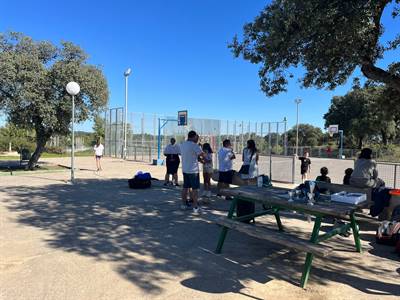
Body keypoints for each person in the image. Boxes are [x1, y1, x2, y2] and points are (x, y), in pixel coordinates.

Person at [180, 131, 205, 213]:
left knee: (185, 187)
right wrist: (201, 149)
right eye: (196, 137)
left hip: (185, 169)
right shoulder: (194, 145)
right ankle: (195, 207)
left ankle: (183, 204)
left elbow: (192, 155)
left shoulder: (183, 144)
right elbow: (202, 155)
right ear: (193, 136)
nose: (197, 139)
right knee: (195, 189)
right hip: (193, 171)